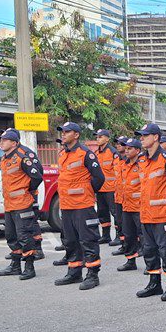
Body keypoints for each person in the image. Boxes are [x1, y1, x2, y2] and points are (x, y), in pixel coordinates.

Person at [134, 123, 166, 301]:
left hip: (164, 214)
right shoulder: (141, 159)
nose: (141, 138)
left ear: (155, 137)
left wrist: (164, 200)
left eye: (145, 135)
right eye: (141, 135)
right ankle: (155, 284)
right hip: (146, 215)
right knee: (149, 251)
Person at [54, 122, 106, 290]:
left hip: (83, 205)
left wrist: (86, 192)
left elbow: (99, 178)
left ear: (76, 135)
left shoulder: (86, 154)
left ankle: (92, 274)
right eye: (62, 131)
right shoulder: (63, 154)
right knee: (70, 241)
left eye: (67, 132)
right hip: (67, 206)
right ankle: (74, 271)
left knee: (88, 240)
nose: (63, 134)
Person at [0, 128, 43, 280]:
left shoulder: (22, 156)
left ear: (14, 143)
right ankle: (15, 266)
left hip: (22, 203)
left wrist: (28, 190)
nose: (1, 142)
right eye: (1, 139)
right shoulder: (4, 158)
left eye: (5, 140)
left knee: (24, 236)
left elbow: (37, 176)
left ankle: (29, 267)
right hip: (9, 204)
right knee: (11, 236)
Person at [116, 138, 143, 272]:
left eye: (129, 148)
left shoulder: (142, 165)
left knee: (144, 236)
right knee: (128, 235)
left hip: (139, 206)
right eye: (125, 148)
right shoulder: (124, 165)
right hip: (126, 206)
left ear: (137, 150)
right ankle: (130, 261)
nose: (126, 151)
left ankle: (151, 264)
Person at [92, 129, 119, 245]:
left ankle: (119, 235)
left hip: (111, 189)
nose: (98, 139)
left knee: (115, 212)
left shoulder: (113, 153)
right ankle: (106, 235)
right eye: (97, 137)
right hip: (100, 188)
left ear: (107, 139)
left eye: (100, 137)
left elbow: (118, 172)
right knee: (102, 213)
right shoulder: (96, 154)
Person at [111, 136, 129, 255]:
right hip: (118, 197)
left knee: (132, 226)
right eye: (117, 143)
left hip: (130, 199)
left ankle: (138, 246)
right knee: (120, 222)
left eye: (121, 144)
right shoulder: (116, 159)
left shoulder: (132, 160)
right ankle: (123, 245)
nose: (118, 145)